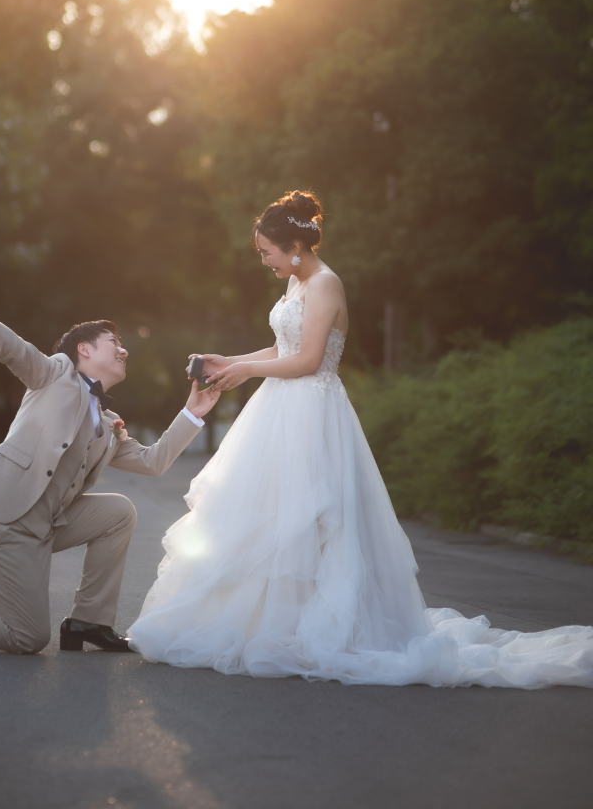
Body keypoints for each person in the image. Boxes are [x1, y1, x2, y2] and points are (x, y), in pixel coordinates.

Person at [128, 190, 593, 688]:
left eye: (267, 251)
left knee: (314, 516)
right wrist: (232, 361)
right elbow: (286, 344)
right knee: (271, 517)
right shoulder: (297, 281)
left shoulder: (326, 284)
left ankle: (319, 626)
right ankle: (273, 621)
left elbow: (308, 360)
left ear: (295, 248)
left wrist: (246, 373)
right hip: (280, 409)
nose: (263, 260)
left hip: (312, 409)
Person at [0, 268, 220, 654]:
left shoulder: (109, 424)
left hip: (44, 528)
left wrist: (193, 412)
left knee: (119, 513)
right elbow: (9, 346)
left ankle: (88, 621)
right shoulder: (55, 374)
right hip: (1, 526)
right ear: (84, 350)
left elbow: (153, 461)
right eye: (115, 341)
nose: (123, 349)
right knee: (27, 637)